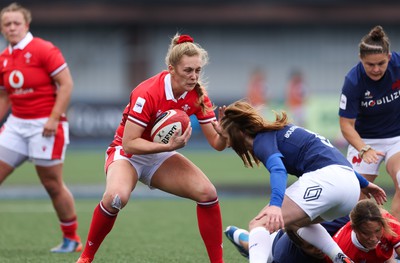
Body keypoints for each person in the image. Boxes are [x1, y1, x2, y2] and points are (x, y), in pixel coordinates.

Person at [76, 33, 228, 263]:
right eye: (188, 70)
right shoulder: (147, 92)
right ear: (172, 69)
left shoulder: (198, 95)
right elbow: (129, 143)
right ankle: (86, 257)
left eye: (198, 70)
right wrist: (165, 145)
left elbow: (217, 145)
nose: (194, 76)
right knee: (116, 197)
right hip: (128, 154)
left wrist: (225, 134)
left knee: (208, 193)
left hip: (161, 154)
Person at [217, 100, 387, 263]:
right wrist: (364, 183)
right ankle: (339, 257)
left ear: (238, 133)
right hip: (349, 187)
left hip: (328, 181)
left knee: (259, 223)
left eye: (226, 137)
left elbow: (278, 169)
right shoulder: (283, 131)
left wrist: (275, 205)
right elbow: (331, 156)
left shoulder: (262, 140)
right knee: (296, 224)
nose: (227, 143)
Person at [0, 3, 81, 253]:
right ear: (2, 29)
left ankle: (72, 239)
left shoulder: (44, 49)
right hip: (17, 125)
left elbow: (66, 84)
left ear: (26, 25)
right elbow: (5, 97)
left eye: (16, 23)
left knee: (52, 185)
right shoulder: (3, 58)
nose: (12, 27)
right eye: (7, 24)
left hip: (45, 126)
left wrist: (54, 118)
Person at [338, 25, 400, 220]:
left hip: (396, 137)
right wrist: (364, 149)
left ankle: (396, 242)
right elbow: (346, 124)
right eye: (369, 64)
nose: (376, 69)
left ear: (389, 57)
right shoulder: (353, 81)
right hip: (364, 140)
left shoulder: (399, 66)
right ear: (361, 60)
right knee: (356, 198)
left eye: (381, 63)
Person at [224, 216, 350, 263]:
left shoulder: (332, 223)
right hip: (274, 246)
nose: (318, 248)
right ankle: (242, 239)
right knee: (255, 252)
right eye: (311, 247)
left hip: (287, 230)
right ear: (299, 246)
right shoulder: (285, 257)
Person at [332, 199, 400, 263]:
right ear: (354, 229)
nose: (373, 239)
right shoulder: (341, 252)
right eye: (366, 233)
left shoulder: (388, 222)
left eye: (377, 231)